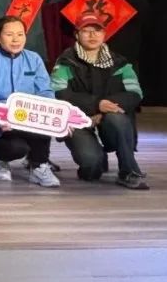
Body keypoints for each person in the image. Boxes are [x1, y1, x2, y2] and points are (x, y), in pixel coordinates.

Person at [51, 14, 147, 190]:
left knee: (117, 119)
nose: (92, 35)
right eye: (86, 31)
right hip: (78, 119)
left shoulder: (120, 62)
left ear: (104, 34)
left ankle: (129, 171)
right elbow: (59, 94)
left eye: (97, 31)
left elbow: (135, 93)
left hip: (109, 116)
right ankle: (98, 160)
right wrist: (95, 105)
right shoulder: (65, 62)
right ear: (76, 35)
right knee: (91, 168)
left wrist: (103, 109)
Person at [0, 16, 62, 187]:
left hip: (27, 117)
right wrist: (4, 116)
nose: (15, 39)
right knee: (17, 148)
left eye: (20, 34)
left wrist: (53, 114)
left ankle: (39, 166)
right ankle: (0, 160)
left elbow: (45, 91)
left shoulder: (34, 59)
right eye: (9, 35)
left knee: (44, 121)